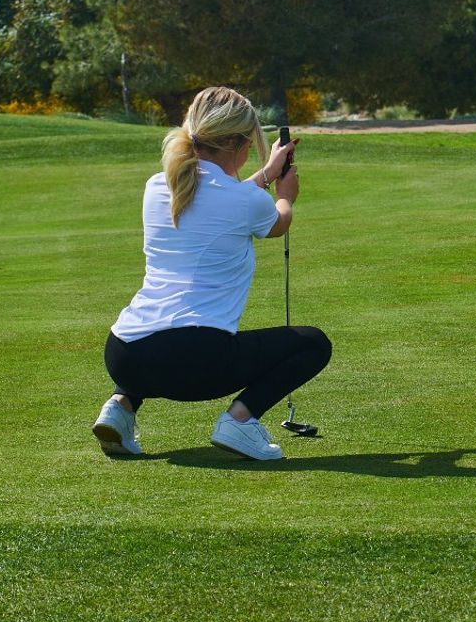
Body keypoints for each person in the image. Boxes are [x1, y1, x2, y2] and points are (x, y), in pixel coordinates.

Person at [92, 86, 331, 461]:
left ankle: (120, 407)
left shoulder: (159, 186)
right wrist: (284, 193)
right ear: (236, 142)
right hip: (194, 362)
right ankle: (240, 419)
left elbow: (223, 202)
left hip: (124, 354)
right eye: (250, 142)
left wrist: (266, 175)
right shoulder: (243, 200)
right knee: (313, 343)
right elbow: (276, 222)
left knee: (156, 341)